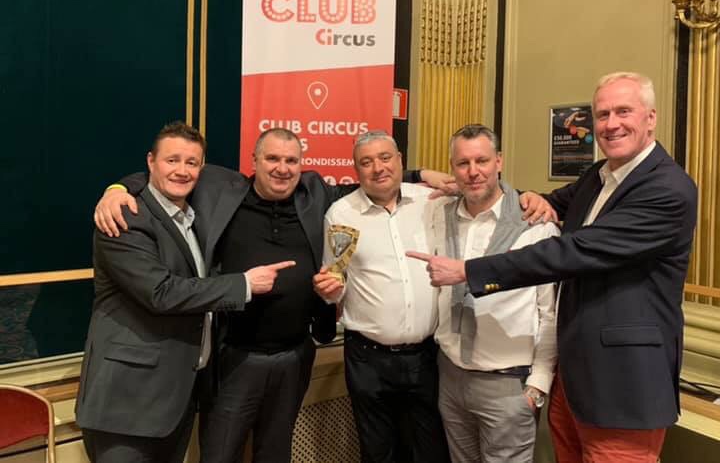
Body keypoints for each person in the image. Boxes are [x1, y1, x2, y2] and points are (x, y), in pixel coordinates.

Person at [92, 128, 450, 463]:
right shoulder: (221, 190)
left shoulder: (315, 194)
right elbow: (167, 174)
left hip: (295, 356)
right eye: (272, 159)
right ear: (255, 160)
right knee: (219, 454)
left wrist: (419, 175)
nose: (282, 168)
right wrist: (117, 189)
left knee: (275, 454)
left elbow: (374, 177)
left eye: (291, 160)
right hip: (234, 358)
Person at [408, 72, 698, 463]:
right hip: (574, 378)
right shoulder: (598, 176)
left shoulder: (667, 189)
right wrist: (518, 195)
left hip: (623, 383)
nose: (611, 124)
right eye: (602, 114)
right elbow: (547, 201)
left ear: (651, 118)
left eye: (623, 112)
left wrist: (469, 271)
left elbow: (574, 250)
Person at [76, 122, 293, 463]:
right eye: (172, 160)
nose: (182, 170)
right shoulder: (125, 216)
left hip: (176, 401)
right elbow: (160, 292)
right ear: (151, 162)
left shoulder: (192, 217)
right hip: (127, 404)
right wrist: (244, 284)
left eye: (191, 162)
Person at [313, 131, 451, 463]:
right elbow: (336, 277)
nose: (378, 168)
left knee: (431, 451)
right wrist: (329, 291)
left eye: (385, 158)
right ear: (356, 169)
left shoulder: (431, 201)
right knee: (378, 452)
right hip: (368, 360)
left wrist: (529, 198)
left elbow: (482, 190)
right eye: (367, 162)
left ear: (400, 160)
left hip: (427, 357)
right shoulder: (340, 214)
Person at [432, 124, 557, 463]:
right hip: (450, 375)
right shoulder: (439, 216)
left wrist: (538, 385)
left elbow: (549, 314)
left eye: (482, 161)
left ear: (499, 161)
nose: (473, 172)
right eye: (463, 163)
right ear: (452, 167)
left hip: (508, 385)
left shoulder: (535, 225)